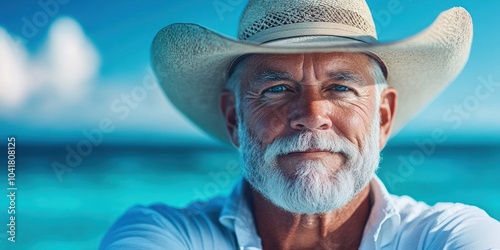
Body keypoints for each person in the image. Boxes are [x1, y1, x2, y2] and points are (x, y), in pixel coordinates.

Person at [100, 0, 500, 249]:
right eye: (276, 88)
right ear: (233, 118)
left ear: (382, 117)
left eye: (341, 87)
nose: (311, 114)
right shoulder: (164, 234)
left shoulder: (449, 236)